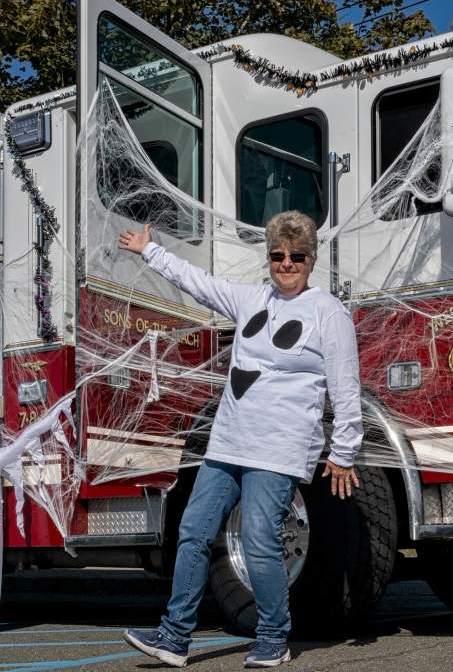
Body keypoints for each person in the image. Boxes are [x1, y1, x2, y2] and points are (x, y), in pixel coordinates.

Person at [119, 210, 363, 668]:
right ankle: (174, 638)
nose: (286, 264)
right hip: (229, 442)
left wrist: (344, 451)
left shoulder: (329, 313)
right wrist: (149, 250)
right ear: (268, 257)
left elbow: (345, 387)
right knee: (193, 532)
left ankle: (273, 638)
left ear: (311, 260)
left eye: (296, 256)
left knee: (258, 540)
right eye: (277, 255)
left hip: (280, 448)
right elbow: (198, 281)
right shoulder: (250, 299)